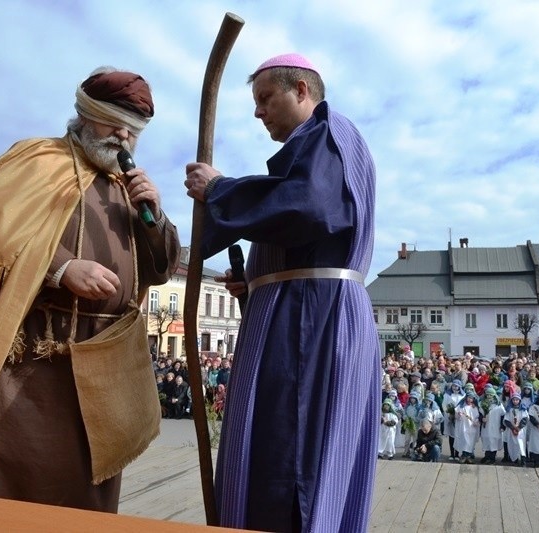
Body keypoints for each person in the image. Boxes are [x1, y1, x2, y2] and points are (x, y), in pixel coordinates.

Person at [0, 67, 181, 513]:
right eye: (114, 121)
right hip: (35, 365)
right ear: (85, 115)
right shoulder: (36, 160)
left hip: (107, 365)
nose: (123, 136)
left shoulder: (127, 187)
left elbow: (163, 268)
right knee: (20, 489)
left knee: (93, 496)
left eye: (134, 129)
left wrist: (156, 215)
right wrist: (61, 269)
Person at [184, 53, 380, 531]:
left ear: (301, 91)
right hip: (302, 310)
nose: (258, 112)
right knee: (285, 448)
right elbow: (303, 231)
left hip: (311, 323)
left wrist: (222, 191)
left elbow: (308, 207)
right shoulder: (320, 144)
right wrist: (255, 287)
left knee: (289, 458)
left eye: (265, 98)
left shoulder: (331, 133)